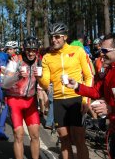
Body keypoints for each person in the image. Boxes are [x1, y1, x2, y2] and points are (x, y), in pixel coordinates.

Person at [66, 33, 115, 159]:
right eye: (100, 50)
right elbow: (97, 91)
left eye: (104, 50)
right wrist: (77, 86)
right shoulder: (111, 68)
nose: (101, 53)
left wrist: (110, 109)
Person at [38, 22, 93, 159]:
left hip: (76, 99)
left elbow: (89, 76)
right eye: (52, 37)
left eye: (57, 37)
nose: (53, 40)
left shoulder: (78, 51)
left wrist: (86, 99)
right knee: (64, 140)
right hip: (58, 101)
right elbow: (45, 84)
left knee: (79, 140)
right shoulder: (47, 57)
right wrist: (39, 77)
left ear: (65, 37)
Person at [3, 36, 41, 159]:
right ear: (23, 49)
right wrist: (17, 76)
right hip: (15, 101)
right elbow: (5, 83)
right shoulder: (15, 60)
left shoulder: (39, 61)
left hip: (31, 101)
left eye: (33, 50)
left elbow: (45, 80)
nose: (31, 53)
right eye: (28, 49)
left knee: (35, 135)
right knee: (18, 135)